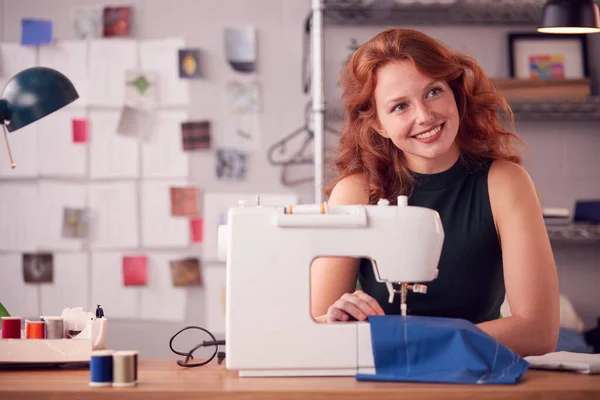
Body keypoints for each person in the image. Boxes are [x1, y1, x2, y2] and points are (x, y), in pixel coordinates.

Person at [310, 28, 559, 357]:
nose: (424, 116)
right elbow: (315, 327)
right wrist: (335, 319)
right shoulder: (355, 193)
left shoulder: (505, 183)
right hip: (379, 378)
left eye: (433, 92)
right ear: (378, 124)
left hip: (476, 379)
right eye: (399, 106)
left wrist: (407, 341)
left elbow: (538, 331)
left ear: (454, 92)